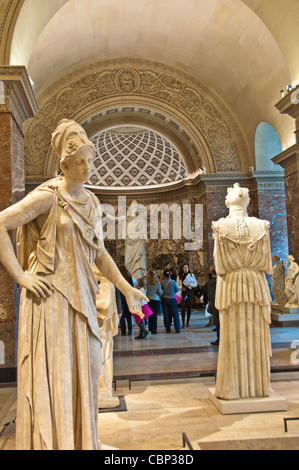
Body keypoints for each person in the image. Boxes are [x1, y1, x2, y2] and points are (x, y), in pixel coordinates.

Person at [0, 118, 147, 450]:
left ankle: (78, 440)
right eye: (79, 160)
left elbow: (99, 253)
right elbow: (1, 225)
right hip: (49, 298)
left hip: (82, 293)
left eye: (90, 159)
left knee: (85, 366)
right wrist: (22, 277)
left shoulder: (93, 203)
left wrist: (126, 288)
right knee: (52, 373)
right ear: (63, 164)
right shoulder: (47, 198)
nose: (87, 167)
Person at [212, 183, 273, 400]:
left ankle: (233, 388)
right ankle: (258, 387)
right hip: (256, 283)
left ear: (228, 202)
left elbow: (219, 266)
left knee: (232, 337)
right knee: (255, 333)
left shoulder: (219, 227)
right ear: (247, 201)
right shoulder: (262, 226)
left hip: (231, 284)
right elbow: (267, 263)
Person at [178, 264, 198, 328]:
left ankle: (187, 322)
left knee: (189, 308)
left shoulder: (191, 275)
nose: (186, 268)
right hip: (183, 293)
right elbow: (177, 284)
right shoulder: (180, 276)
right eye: (184, 267)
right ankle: (183, 323)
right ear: (182, 268)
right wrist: (181, 287)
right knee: (183, 308)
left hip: (189, 292)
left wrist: (190, 285)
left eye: (187, 267)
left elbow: (195, 284)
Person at [161, 269, 181, 333]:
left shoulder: (161, 282)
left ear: (164, 275)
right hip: (172, 298)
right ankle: (177, 329)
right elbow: (176, 290)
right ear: (170, 274)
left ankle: (168, 329)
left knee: (166, 314)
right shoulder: (173, 281)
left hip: (164, 299)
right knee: (175, 314)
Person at [118, 265, 134, 336]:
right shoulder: (129, 279)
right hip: (128, 298)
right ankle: (130, 330)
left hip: (121, 299)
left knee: (122, 316)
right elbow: (132, 288)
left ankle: (123, 331)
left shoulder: (118, 279)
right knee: (128, 316)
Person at [207, 269, 219, 345]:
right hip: (217, 304)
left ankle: (219, 338)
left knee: (218, 323)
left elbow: (211, 295)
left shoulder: (213, 282)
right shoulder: (215, 282)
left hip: (216, 304)